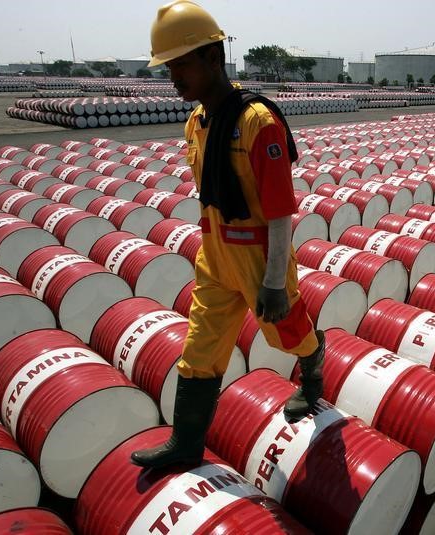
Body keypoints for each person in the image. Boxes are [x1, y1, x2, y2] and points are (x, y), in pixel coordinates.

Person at [131, 0, 325, 469]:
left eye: (181, 64)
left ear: (213, 58)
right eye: (168, 67)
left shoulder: (258, 122)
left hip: (260, 260)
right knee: (200, 347)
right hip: (215, 256)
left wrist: (275, 282)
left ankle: (314, 365)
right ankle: (186, 443)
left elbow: (279, 213)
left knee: (288, 336)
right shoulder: (196, 123)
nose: (173, 77)